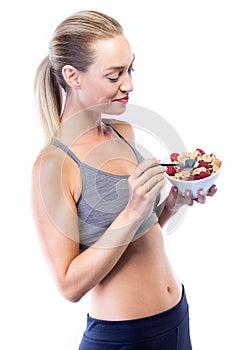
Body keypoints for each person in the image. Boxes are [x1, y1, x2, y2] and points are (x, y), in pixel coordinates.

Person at [31, 10, 217, 350]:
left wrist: (170, 205)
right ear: (72, 76)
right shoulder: (54, 165)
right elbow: (69, 286)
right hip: (126, 339)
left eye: (130, 69)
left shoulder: (122, 131)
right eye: (115, 75)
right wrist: (131, 211)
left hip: (177, 319)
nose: (129, 84)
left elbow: (139, 236)